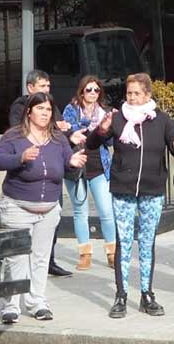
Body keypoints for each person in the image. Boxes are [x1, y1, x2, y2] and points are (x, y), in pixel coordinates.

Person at [86, 73, 174, 319]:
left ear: (147, 95)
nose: (131, 97)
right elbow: (91, 144)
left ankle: (146, 294)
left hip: (152, 188)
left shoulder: (162, 119)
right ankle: (121, 295)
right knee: (124, 239)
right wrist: (101, 131)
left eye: (136, 93)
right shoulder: (117, 118)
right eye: (129, 93)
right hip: (123, 187)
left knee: (146, 241)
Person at [0, 92, 87, 323]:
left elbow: (67, 162)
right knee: (16, 259)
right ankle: (11, 305)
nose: (45, 114)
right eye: (40, 109)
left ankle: (37, 302)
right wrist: (21, 158)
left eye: (48, 110)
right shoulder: (13, 136)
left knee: (40, 258)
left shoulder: (58, 138)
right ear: (29, 111)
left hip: (48, 210)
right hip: (18, 207)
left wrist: (73, 162)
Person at [9, 69, 84, 278]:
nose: (47, 90)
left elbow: (61, 131)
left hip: (52, 174)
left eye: (48, 86)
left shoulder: (53, 106)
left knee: (54, 219)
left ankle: (49, 260)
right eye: (43, 86)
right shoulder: (19, 107)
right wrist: (52, 127)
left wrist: (71, 134)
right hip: (28, 176)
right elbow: (17, 133)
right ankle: (25, 266)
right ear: (30, 88)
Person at [62, 76, 116, 270]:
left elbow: (110, 142)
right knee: (80, 211)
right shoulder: (71, 110)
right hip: (76, 166)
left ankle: (112, 253)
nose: (93, 93)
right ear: (82, 91)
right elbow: (68, 134)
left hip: (99, 166)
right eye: (89, 89)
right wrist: (89, 130)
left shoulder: (106, 113)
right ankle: (85, 254)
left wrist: (106, 129)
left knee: (106, 211)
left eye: (96, 90)